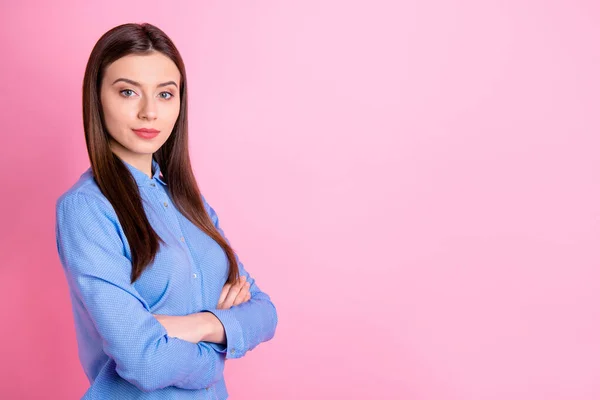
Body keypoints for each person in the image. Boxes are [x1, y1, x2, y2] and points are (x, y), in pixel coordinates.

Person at [54, 22, 278, 399]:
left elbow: (265, 313)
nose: (149, 112)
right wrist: (217, 354)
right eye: (128, 92)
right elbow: (144, 361)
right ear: (97, 97)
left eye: (165, 94)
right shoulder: (85, 209)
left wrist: (200, 326)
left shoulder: (189, 203)